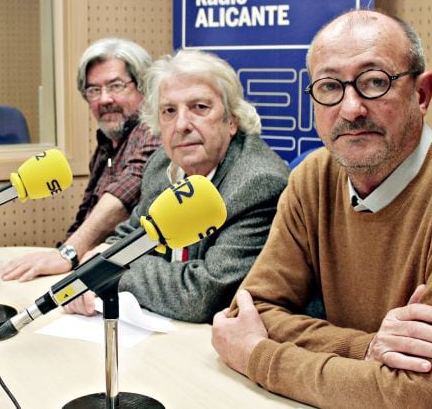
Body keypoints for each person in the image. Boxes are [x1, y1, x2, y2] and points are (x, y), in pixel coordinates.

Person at [211, 9, 432, 407]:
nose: (351, 108)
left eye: (375, 82)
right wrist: (367, 347)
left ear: (421, 94)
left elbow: (416, 395)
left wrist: (259, 357)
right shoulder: (312, 178)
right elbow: (251, 311)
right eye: (329, 86)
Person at [64, 49, 289, 323]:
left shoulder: (258, 182)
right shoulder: (163, 164)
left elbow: (203, 295)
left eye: (200, 108)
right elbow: (131, 235)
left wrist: (110, 269)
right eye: (169, 111)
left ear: (232, 120)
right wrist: (100, 259)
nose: (181, 124)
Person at [0, 38, 161, 280]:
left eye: (116, 86)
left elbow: (125, 193)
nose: (104, 99)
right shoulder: (107, 143)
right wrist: (61, 253)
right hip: (91, 270)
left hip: (127, 278)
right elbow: (86, 214)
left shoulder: (153, 131)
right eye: (94, 90)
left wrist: (66, 254)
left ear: (143, 87)